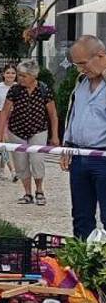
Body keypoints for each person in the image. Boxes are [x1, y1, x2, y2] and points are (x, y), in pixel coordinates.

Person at [0, 60, 59, 206]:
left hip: (38, 130)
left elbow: (53, 114)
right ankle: (27, 193)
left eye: (23, 76)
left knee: (37, 160)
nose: (20, 78)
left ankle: (39, 190)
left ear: (33, 76)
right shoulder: (15, 90)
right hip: (17, 130)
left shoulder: (44, 90)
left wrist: (55, 135)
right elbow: (5, 112)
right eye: (19, 75)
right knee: (20, 164)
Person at [64, 36, 106, 238]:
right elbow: (73, 113)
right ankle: (82, 259)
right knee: (81, 214)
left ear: (100, 56)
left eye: (83, 64)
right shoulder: (81, 83)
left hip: (103, 156)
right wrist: (67, 144)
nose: (81, 69)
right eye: (77, 65)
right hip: (79, 155)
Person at [0, 64, 18, 179]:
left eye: (12, 73)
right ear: (3, 74)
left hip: (15, 118)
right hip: (1, 118)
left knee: (5, 145)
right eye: (8, 73)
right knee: (5, 141)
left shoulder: (19, 87)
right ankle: (12, 170)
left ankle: (2, 168)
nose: (10, 75)